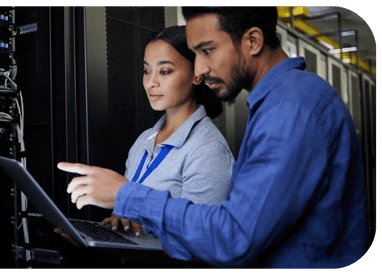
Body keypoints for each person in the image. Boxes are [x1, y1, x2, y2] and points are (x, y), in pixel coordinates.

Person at [58, 6, 369, 270]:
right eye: (195, 54)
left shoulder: (291, 109)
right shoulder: (281, 103)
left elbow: (234, 238)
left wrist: (127, 195)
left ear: (253, 41)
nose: (201, 68)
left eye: (207, 51)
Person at [99, 25, 234, 236]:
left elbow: (203, 241)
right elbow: (131, 218)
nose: (151, 83)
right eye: (146, 71)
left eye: (164, 71)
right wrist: (117, 228)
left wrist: (141, 233)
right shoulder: (143, 141)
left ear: (196, 75)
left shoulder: (208, 149)